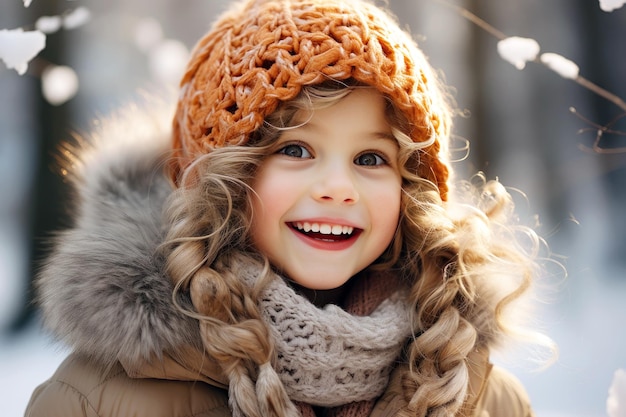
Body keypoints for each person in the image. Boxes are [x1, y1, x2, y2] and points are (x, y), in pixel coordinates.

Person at [25, 0, 555, 416]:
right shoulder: (96, 399)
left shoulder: (480, 394)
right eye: (295, 150)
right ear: (223, 182)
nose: (337, 188)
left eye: (370, 157)